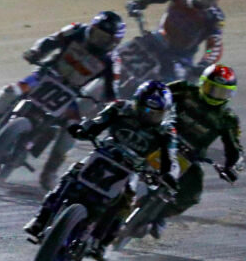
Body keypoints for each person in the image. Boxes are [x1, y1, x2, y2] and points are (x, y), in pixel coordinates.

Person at [0, 10, 124, 186]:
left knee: (72, 129)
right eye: (96, 33)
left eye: (104, 38)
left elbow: (113, 88)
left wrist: (111, 104)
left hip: (73, 92)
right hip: (44, 75)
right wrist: (35, 52)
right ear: (91, 28)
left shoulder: (113, 61)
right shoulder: (76, 30)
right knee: (9, 92)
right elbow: (49, 41)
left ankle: (50, 172)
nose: (97, 40)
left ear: (113, 42)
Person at [22, 82, 176, 250]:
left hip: (131, 168)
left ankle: (101, 242)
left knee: (126, 199)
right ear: (137, 102)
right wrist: (83, 129)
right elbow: (97, 123)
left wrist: (166, 175)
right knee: (71, 175)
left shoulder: (166, 132)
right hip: (104, 154)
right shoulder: (119, 108)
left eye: (155, 113)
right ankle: (40, 219)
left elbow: (169, 158)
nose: (149, 115)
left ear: (164, 113)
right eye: (146, 109)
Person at [156, 65, 244, 235]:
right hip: (161, 137)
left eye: (221, 92)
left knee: (193, 192)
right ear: (202, 83)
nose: (214, 95)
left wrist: (232, 167)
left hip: (190, 156)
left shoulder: (227, 119)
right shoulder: (184, 89)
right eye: (211, 88)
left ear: (229, 94)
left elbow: (234, 148)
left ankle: (158, 215)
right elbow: (156, 94)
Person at [124, 0, 225, 83]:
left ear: (216, 0)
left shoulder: (215, 17)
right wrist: (139, 2)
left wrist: (204, 63)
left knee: (175, 86)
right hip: (158, 39)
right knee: (123, 54)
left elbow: (214, 45)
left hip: (181, 57)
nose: (200, 0)